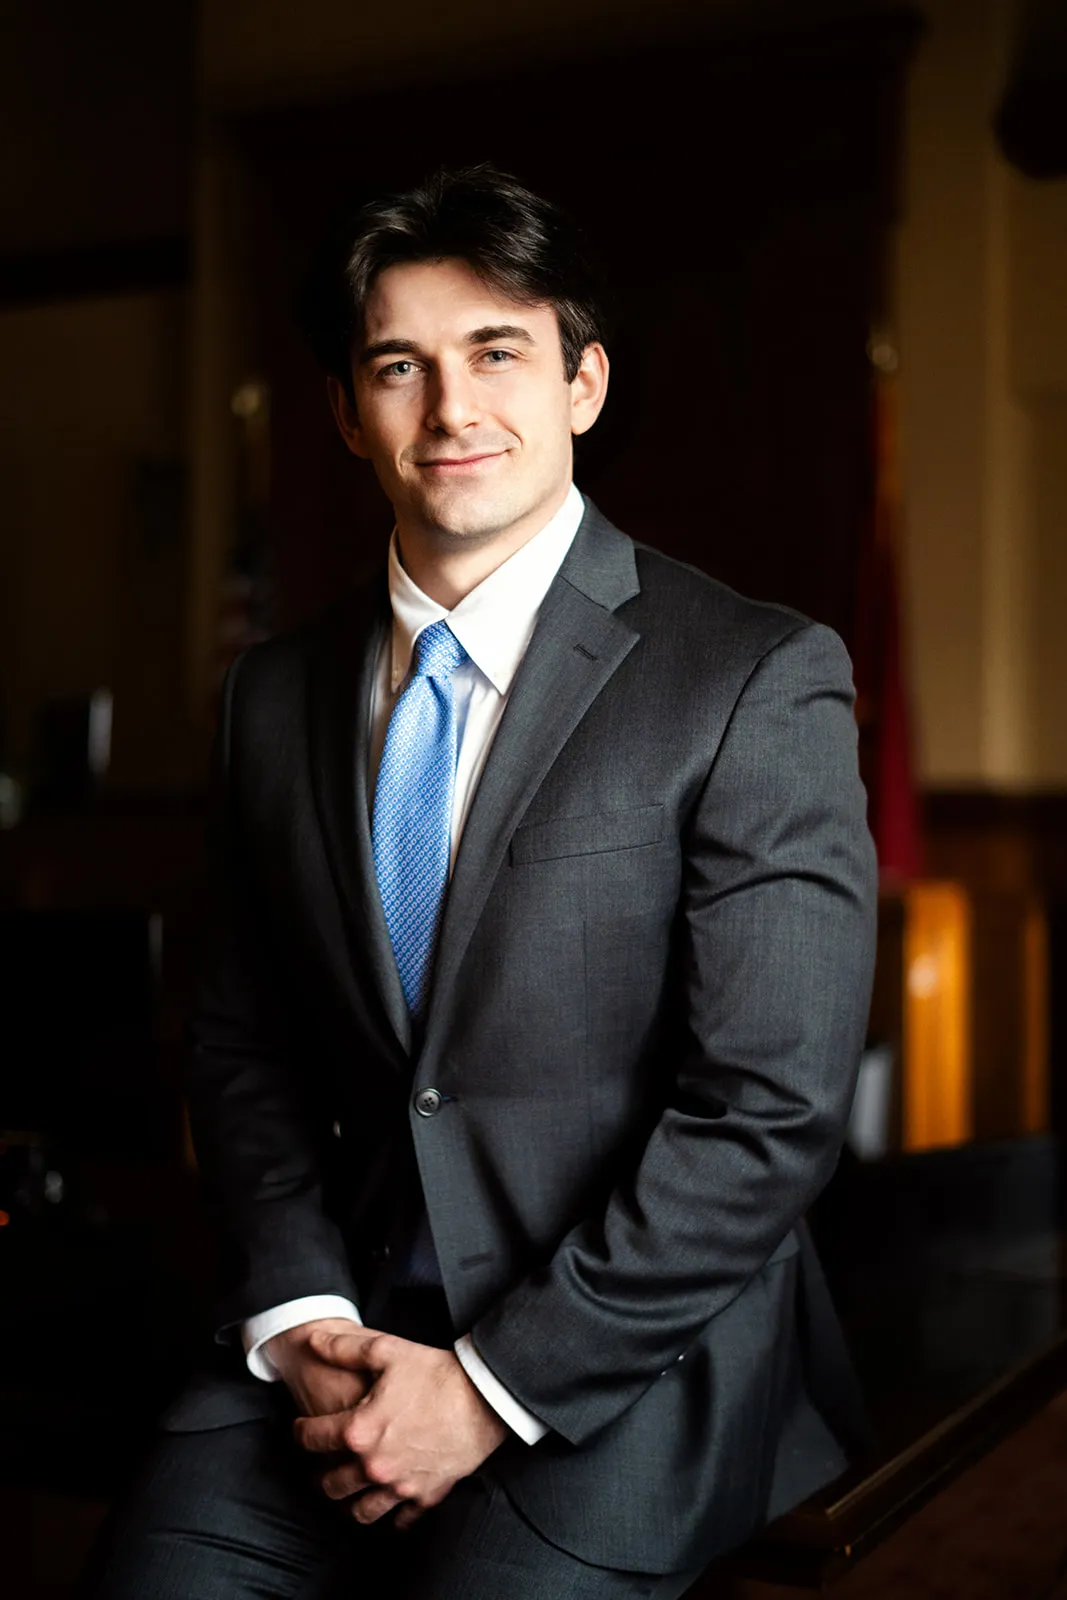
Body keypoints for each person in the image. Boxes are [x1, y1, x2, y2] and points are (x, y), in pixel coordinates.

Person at [85, 165, 878, 1600]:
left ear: (583, 382)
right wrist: (300, 1313)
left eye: (496, 353)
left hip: (626, 1364)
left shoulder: (751, 676)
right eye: (400, 366)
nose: (451, 411)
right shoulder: (267, 697)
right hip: (331, 1344)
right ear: (344, 412)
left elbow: (766, 1110)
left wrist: (487, 1385)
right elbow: (241, 1046)